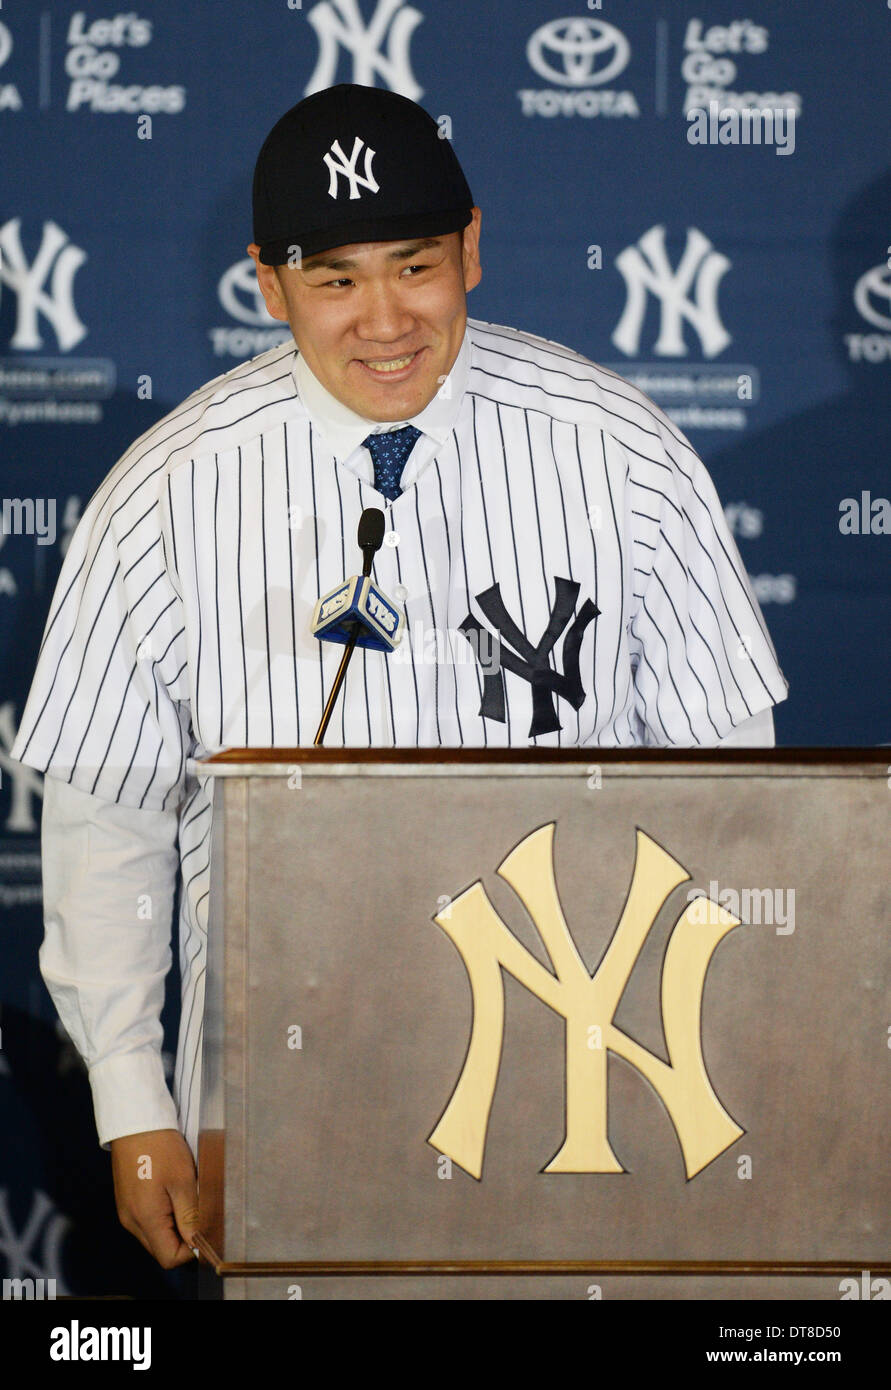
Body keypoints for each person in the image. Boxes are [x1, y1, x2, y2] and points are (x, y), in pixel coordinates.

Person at [10, 83, 788, 1270]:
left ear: (471, 249)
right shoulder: (164, 494)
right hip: (279, 1074)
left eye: (414, 265)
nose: (385, 318)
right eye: (336, 280)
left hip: (589, 1072)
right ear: (269, 287)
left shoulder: (621, 452)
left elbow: (739, 803)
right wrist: (132, 1099)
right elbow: (107, 825)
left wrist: (722, 1064)